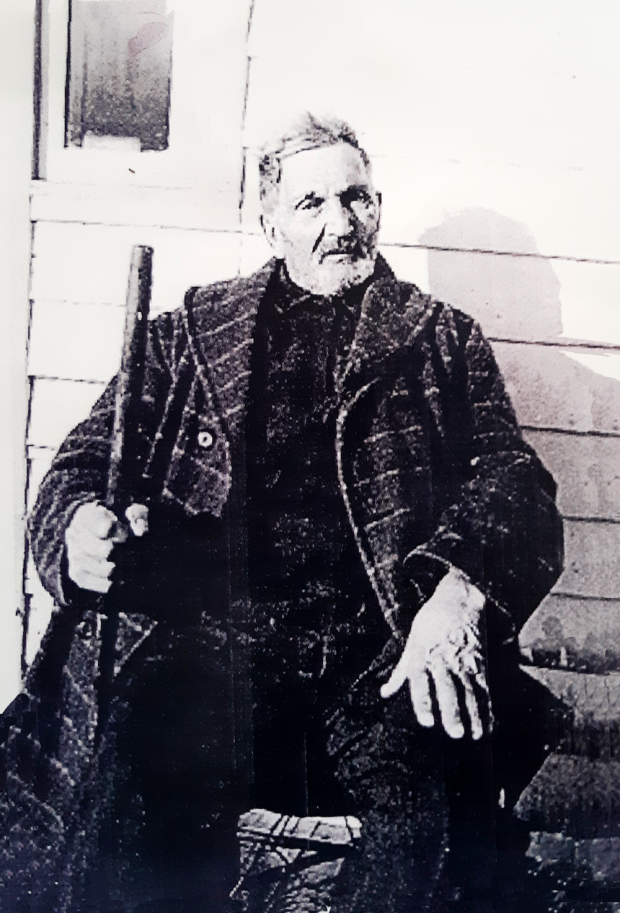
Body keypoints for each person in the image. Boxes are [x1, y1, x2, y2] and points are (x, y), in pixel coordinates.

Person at [11, 114, 563, 912]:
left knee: (437, 807)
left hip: (379, 653)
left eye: (357, 199)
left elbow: (513, 481)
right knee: (127, 791)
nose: (341, 225)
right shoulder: (190, 335)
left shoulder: (442, 341)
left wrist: (458, 592)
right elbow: (82, 462)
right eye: (312, 205)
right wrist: (75, 533)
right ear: (269, 222)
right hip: (214, 647)